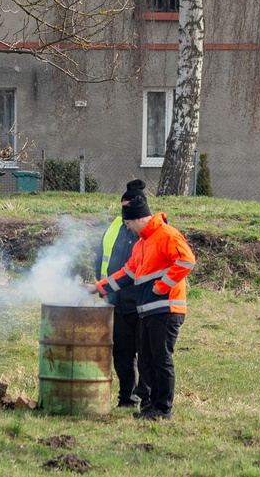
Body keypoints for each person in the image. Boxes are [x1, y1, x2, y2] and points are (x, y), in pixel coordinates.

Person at [86, 195, 196, 421]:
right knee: (147, 361)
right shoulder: (143, 243)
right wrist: (97, 288)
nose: (127, 228)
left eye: (128, 224)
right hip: (148, 310)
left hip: (166, 310)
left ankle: (163, 409)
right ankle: (151, 407)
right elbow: (126, 274)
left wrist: (161, 286)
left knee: (160, 359)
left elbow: (186, 260)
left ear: (137, 219)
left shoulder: (167, 234)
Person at [94, 179, 147, 408]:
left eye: (128, 204)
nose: (124, 208)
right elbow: (100, 260)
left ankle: (147, 397)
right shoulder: (114, 227)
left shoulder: (148, 230)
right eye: (122, 204)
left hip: (143, 301)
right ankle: (126, 397)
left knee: (146, 354)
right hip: (116, 301)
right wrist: (102, 290)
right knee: (122, 353)